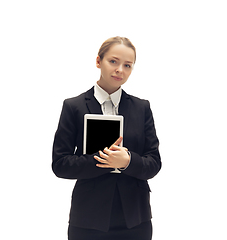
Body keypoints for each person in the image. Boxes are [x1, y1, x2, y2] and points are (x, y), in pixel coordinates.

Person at [52, 36, 161, 240]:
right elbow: (60, 164)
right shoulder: (73, 107)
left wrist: (128, 161)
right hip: (88, 219)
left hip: (135, 220)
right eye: (113, 61)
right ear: (98, 61)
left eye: (127, 65)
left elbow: (154, 163)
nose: (120, 69)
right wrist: (103, 160)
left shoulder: (142, 108)